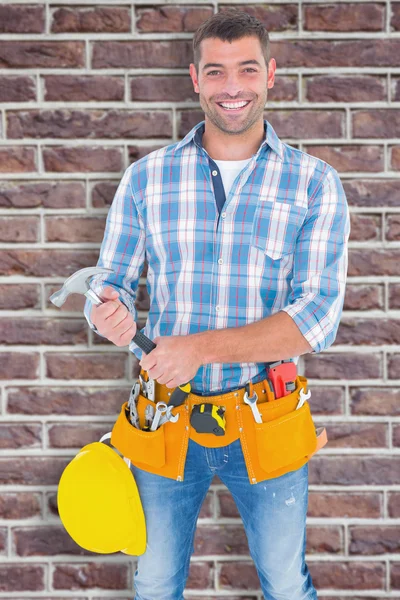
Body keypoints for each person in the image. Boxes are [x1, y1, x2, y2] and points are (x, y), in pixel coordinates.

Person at [84, 9, 350, 600]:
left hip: (268, 415)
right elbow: (110, 283)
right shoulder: (146, 178)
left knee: (284, 581)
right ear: (195, 78)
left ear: (271, 74)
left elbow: (316, 318)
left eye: (248, 69)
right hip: (164, 417)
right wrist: (107, 310)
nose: (233, 86)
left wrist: (197, 350)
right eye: (217, 71)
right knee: (153, 582)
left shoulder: (313, 182)